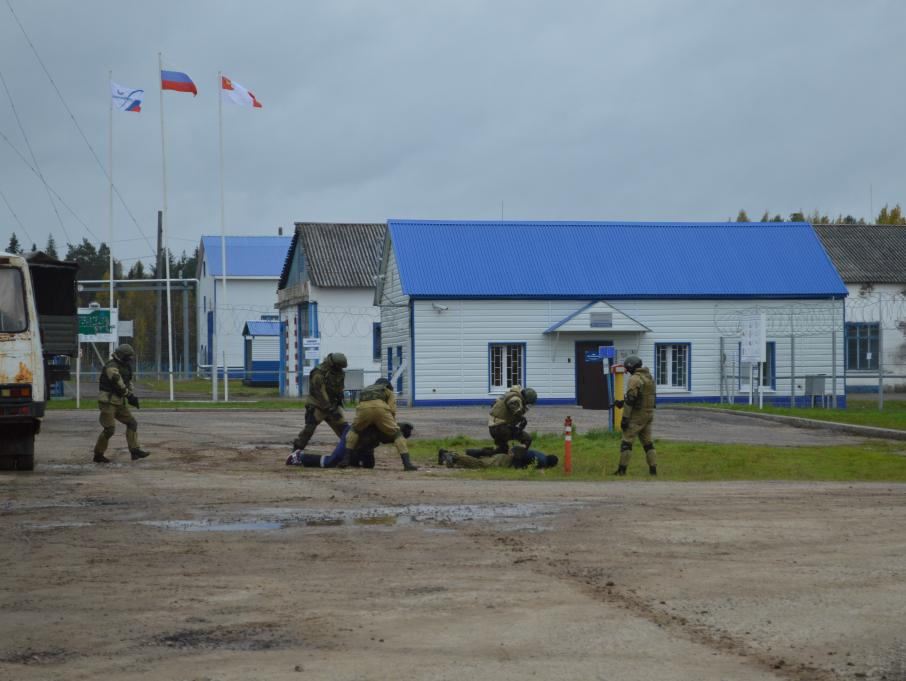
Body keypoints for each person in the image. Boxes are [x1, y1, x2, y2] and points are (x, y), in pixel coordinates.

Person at [344, 378, 418, 471]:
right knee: (397, 434)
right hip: (381, 411)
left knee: (354, 430)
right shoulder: (387, 391)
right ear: (387, 386)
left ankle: (345, 459)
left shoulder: (365, 390)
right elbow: (392, 411)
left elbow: (359, 409)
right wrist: (390, 425)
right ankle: (407, 464)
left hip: (364, 415)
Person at [92, 344, 149, 463]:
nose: (130, 360)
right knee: (109, 429)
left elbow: (127, 382)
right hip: (108, 402)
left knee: (132, 423)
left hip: (119, 401)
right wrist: (130, 396)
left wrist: (130, 394)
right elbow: (118, 384)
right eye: (128, 357)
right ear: (122, 356)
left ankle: (135, 451)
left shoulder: (125, 366)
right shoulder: (111, 367)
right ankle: (98, 455)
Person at [286, 422, 415, 469]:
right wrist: (407, 464)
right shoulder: (389, 427)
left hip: (365, 445)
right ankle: (299, 457)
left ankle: (349, 459)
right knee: (331, 462)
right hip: (352, 435)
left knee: (369, 465)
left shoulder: (391, 427)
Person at [292, 352, 348, 451]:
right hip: (317, 405)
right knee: (309, 429)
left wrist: (338, 401)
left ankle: (352, 451)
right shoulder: (318, 372)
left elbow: (339, 388)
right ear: (333, 364)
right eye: (339, 366)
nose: (340, 369)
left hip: (332, 405)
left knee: (345, 429)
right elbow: (319, 392)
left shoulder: (339, 372)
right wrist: (330, 408)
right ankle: (296, 451)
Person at [613, 354, 657, 476]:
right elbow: (643, 397)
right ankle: (653, 470)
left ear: (631, 367)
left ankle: (622, 470)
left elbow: (631, 400)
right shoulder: (649, 378)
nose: (627, 372)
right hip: (648, 414)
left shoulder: (634, 379)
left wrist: (625, 418)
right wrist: (623, 402)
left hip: (637, 416)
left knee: (626, 442)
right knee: (648, 444)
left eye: (627, 369)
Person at [479, 385, 537, 455]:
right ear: (527, 399)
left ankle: (479, 453)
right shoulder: (516, 398)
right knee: (527, 439)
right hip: (501, 428)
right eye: (528, 403)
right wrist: (521, 418)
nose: (527, 405)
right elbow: (513, 405)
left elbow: (493, 403)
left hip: (494, 428)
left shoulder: (508, 394)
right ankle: (517, 457)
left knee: (502, 450)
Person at [437, 444, 558, 470]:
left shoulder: (541, 456)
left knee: (480, 462)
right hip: (505, 460)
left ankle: (452, 458)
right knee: (482, 464)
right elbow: (523, 454)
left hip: (505, 458)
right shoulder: (541, 461)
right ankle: (452, 457)